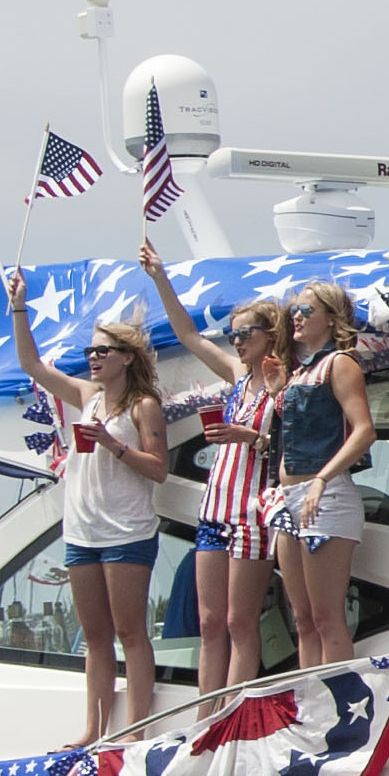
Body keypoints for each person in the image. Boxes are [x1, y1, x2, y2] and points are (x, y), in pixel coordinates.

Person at [3, 266, 171, 735]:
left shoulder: (143, 406)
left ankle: (137, 728)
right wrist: (19, 306)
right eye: (90, 351)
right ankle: (93, 729)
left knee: (130, 632)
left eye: (103, 351)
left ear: (126, 358)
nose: (93, 358)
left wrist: (113, 444)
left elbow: (158, 468)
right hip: (82, 530)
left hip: (126, 530)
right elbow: (32, 365)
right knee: (95, 638)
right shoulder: (87, 396)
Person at [147, 241, 287, 692]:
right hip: (215, 510)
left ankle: (233, 714)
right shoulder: (236, 379)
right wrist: (160, 278)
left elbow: (293, 446)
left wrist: (254, 438)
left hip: (253, 513)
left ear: (269, 335)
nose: (237, 342)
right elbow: (190, 336)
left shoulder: (284, 383)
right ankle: (206, 716)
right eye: (234, 335)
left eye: (245, 334)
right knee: (210, 624)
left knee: (239, 622)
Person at [258, 280, 378, 668]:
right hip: (291, 496)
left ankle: (339, 705)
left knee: (327, 617)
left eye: (306, 310)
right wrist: (278, 394)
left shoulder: (339, 363)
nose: (296, 316)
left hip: (324, 494)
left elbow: (363, 430)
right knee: (303, 618)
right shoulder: (299, 372)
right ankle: (312, 704)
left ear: (330, 318)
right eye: (294, 309)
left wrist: (323, 478)